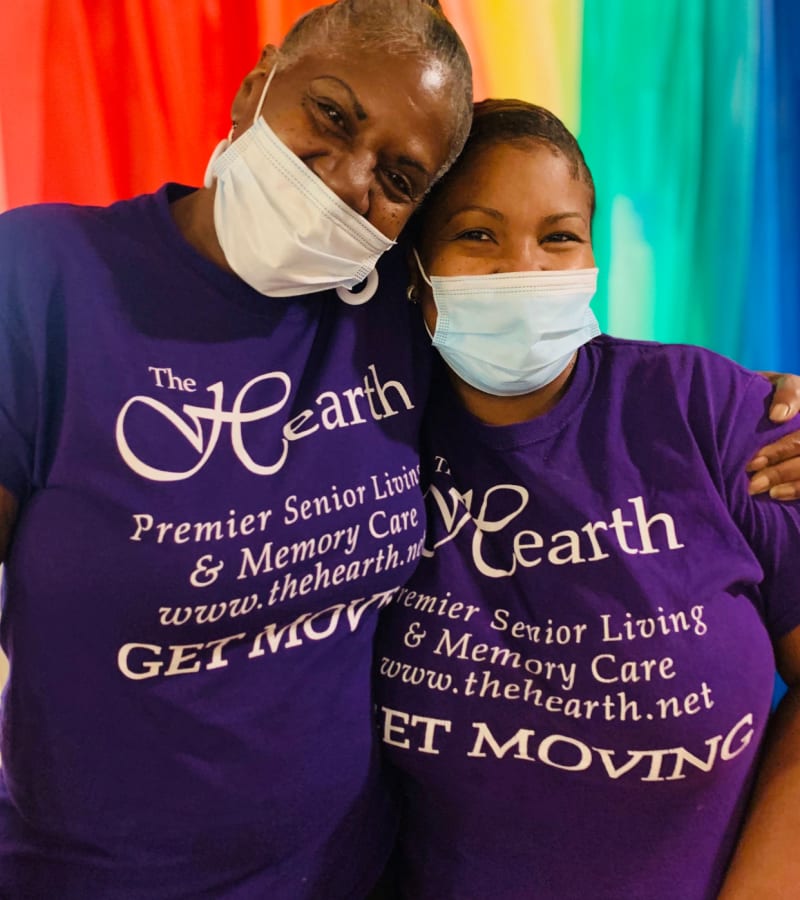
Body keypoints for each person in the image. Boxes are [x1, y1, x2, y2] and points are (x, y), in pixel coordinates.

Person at [0, 1, 473, 896]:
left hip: (347, 872)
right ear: (257, 85)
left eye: (399, 177)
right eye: (331, 117)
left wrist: (750, 414)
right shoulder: (38, 280)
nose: (346, 179)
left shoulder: (398, 326)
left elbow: (577, 403)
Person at [374, 99, 800, 899]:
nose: (525, 269)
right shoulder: (369, 436)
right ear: (415, 263)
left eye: (560, 236)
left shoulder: (708, 412)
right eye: (478, 235)